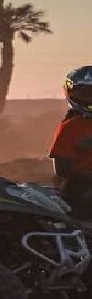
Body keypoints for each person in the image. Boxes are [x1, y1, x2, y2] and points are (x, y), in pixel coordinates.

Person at [49, 66, 92, 217]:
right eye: (86, 94)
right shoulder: (70, 128)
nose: (90, 99)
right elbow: (62, 169)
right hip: (79, 189)